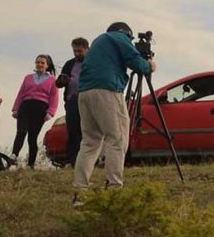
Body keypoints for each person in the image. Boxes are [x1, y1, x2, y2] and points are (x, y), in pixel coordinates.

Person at [72, 22, 155, 206]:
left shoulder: (98, 42)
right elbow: (136, 62)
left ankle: (79, 192)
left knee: (89, 142)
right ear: (126, 33)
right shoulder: (118, 38)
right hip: (107, 90)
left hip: (85, 93)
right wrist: (149, 65)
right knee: (117, 139)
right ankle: (114, 189)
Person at [10, 54, 60, 168]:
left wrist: (50, 112)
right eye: (38, 62)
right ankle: (14, 155)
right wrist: (15, 108)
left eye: (42, 63)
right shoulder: (28, 77)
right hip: (25, 106)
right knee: (21, 132)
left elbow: (54, 97)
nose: (39, 65)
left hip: (40, 108)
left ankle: (30, 164)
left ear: (47, 65)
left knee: (32, 137)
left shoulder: (52, 80)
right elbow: (21, 93)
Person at [56, 37, 90, 168]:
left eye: (80, 51)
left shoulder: (93, 62)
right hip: (72, 100)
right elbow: (59, 83)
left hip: (88, 99)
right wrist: (62, 81)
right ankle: (73, 161)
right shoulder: (69, 64)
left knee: (86, 131)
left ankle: (86, 162)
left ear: (87, 49)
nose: (76, 54)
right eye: (74, 51)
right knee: (72, 130)